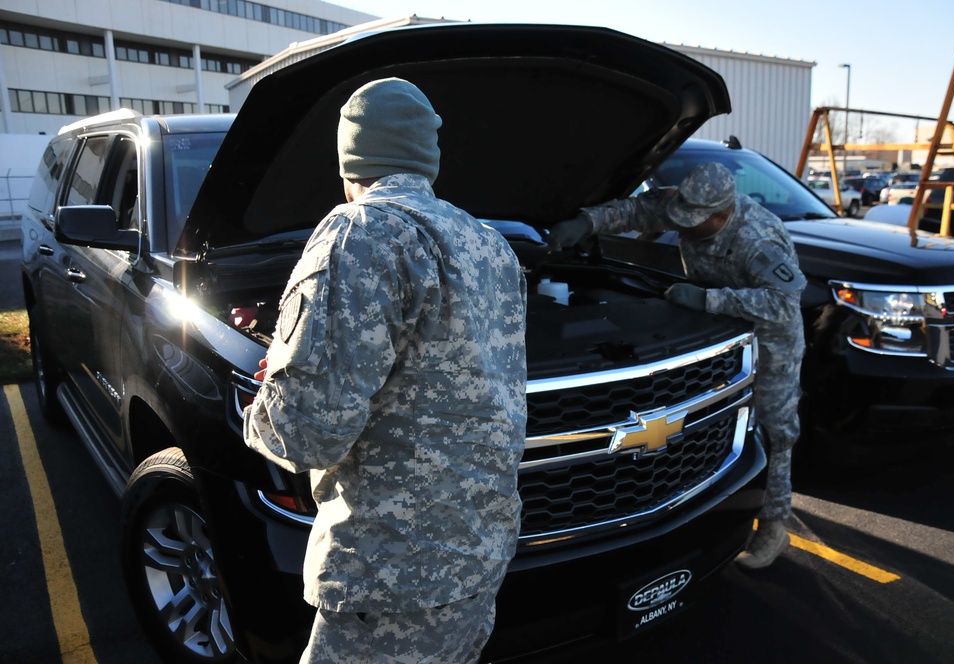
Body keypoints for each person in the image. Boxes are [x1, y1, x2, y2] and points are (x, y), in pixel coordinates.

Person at [244, 77, 527, 662]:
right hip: (479, 554)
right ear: (428, 157)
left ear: (351, 159)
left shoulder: (358, 232)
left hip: (390, 573)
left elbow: (308, 433)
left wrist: (267, 399)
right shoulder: (490, 243)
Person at [547, 161, 805, 570]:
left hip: (770, 338)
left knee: (775, 429)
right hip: (714, 331)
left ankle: (773, 524)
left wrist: (708, 300)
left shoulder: (758, 238)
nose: (682, 226)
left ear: (722, 214)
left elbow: (784, 304)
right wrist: (585, 222)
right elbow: (634, 211)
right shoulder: (683, 204)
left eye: (696, 222)